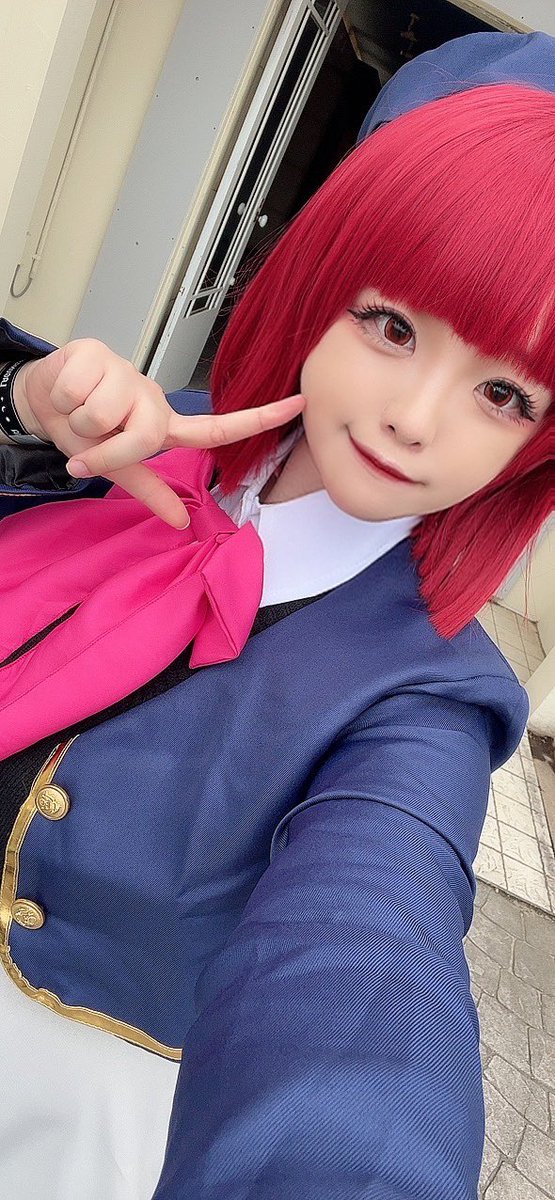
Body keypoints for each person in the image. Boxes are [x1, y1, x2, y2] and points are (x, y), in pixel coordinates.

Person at [0, 29, 554, 1200]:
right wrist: (24, 402)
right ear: (320, 281)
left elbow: (374, 946)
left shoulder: (428, 703)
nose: (414, 418)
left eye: (504, 392)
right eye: (392, 324)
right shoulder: (153, 426)